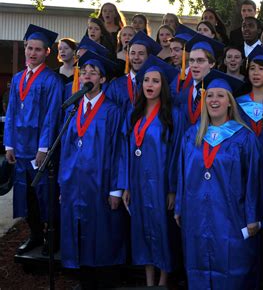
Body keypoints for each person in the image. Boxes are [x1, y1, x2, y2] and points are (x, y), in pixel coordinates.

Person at [175, 70, 262, 289]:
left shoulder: (244, 136)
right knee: (197, 262)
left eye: (220, 96)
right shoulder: (192, 134)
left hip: (231, 216)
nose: (214, 100)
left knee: (232, 266)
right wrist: (179, 206)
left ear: (230, 103)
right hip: (195, 212)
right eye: (210, 95)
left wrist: (252, 216)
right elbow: (182, 174)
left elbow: (253, 180)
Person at [58, 50, 125, 287]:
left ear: (103, 79)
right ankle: (84, 278)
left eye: (93, 72)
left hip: (101, 182)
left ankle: (103, 280)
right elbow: (65, 150)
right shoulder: (72, 109)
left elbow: (119, 151)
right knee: (77, 227)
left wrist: (116, 189)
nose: (87, 75)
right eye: (84, 71)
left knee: (103, 231)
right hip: (74, 183)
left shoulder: (113, 111)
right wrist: (62, 184)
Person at [118, 55, 181, 287]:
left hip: (161, 184)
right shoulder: (133, 113)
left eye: (155, 81)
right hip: (138, 183)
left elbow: (176, 155)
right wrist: (126, 184)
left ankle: (163, 282)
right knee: (143, 230)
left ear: (163, 86)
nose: (150, 85)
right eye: (146, 80)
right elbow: (125, 151)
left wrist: (173, 189)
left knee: (162, 232)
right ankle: (149, 282)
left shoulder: (172, 115)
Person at [4, 24, 63, 255]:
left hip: (39, 148)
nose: (32, 53)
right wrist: (9, 144)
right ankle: (35, 234)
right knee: (26, 194)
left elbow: (52, 117)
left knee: (44, 194)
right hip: (19, 148)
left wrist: (44, 148)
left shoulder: (52, 81)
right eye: (29, 48)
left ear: (47, 52)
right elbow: (11, 113)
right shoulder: (18, 78)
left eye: (38, 49)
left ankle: (51, 237)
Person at [175, 33, 225, 130]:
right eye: (192, 60)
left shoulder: (219, 94)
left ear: (212, 63)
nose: (194, 65)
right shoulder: (183, 94)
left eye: (200, 60)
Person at [106, 31, 162, 116]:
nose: (136, 57)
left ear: (149, 57)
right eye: (133, 53)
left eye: (141, 53)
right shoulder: (115, 86)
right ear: (128, 56)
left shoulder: (155, 86)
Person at [169, 25, 197, 98]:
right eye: (171, 50)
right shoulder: (172, 74)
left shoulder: (198, 75)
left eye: (177, 50)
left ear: (189, 50)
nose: (172, 54)